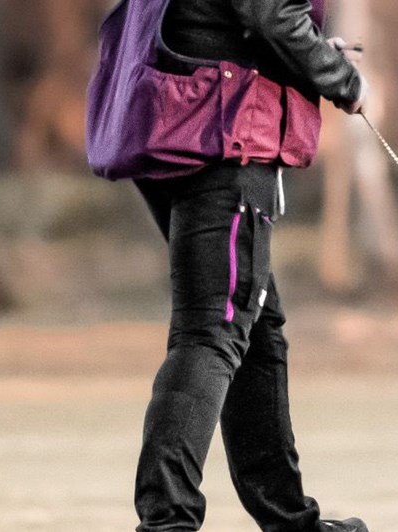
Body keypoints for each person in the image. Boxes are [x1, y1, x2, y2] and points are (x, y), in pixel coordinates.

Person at [97, 0, 369, 530]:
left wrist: (312, 51)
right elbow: (270, 13)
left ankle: (289, 520)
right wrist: (341, 79)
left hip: (180, 120)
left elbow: (231, 18)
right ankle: (167, 522)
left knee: (257, 331)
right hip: (224, 134)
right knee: (212, 333)